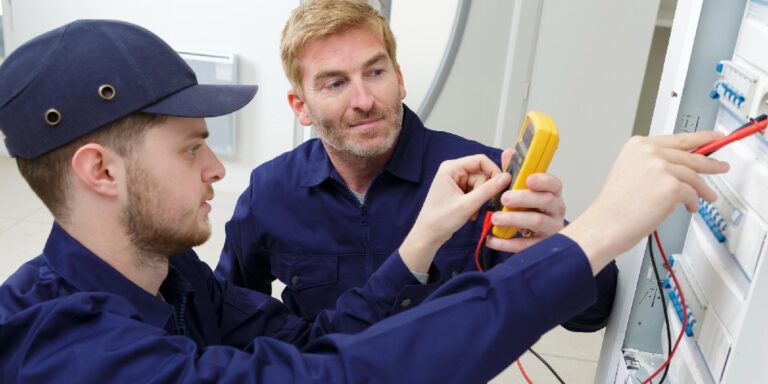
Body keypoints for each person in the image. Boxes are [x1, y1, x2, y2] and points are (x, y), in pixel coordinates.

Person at [0, 19, 729, 384]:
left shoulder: (174, 276)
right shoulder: (66, 349)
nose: (217, 167)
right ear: (100, 170)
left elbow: (310, 344)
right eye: (192, 147)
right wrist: (599, 231)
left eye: (375, 70)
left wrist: (419, 248)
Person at [215, 0, 618, 332]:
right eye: (335, 83)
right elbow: (227, 316)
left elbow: (591, 316)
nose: (364, 100)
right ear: (300, 106)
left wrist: (562, 245)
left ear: (400, 78)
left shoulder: (482, 177)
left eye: (375, 72)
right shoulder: (270, 191)